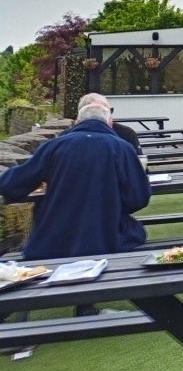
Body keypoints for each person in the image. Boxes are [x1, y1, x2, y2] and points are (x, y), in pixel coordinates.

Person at [0, 102, 151, 262]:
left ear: (77, 122)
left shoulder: (53, 146)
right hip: (105, 238)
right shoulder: (122, 148)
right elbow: (138, 198)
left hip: (52, 241)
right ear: (109, 123)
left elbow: (13, 185)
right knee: (136, 232)